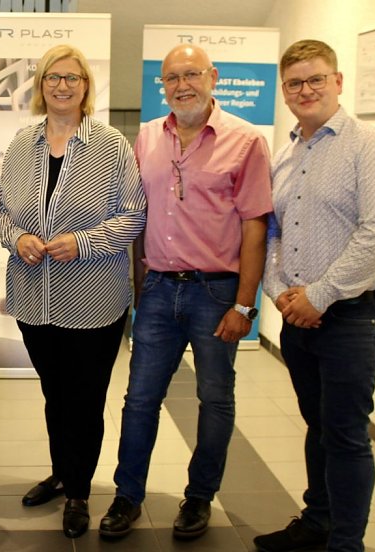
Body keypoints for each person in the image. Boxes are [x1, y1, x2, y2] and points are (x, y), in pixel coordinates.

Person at [99, 43, 272, 541]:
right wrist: (137, 291)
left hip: (216, 292)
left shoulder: (245, 140)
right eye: (171, 78)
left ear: (212, 76)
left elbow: (256, 226)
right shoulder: (149, 136)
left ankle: (199, 497)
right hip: (157, 289)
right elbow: (135, 215)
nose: (182, 86)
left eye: (191, 74)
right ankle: (127, 495)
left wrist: (244, 304)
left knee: (214, 399)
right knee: (139, 400)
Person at [255, 40, 375, 552]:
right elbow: (274, 232)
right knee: (317, 425)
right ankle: (318, 522)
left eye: (315, 79)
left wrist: (318, 295)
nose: (306, 90)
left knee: (344, 433)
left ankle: (347, 544)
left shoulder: (372, 146)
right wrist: (280, 292)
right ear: (285, 91)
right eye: (295, 83)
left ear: (338, 81)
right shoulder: (286, 153)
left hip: (351, 315)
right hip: (299, 315)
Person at [0, 44, 146, 539]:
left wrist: (82, 242)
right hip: (32, 298)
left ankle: (79, 491)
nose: (62, 86)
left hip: (92, 300)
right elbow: (3, 214)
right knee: (53, 394)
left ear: (86, 85)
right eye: (52, 78)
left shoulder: (111, 145)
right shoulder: (22, 144)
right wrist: (16, 238)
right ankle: (62, 471)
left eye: (72, 78)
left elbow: (133, 216)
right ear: (40, 86)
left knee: (84, 399)